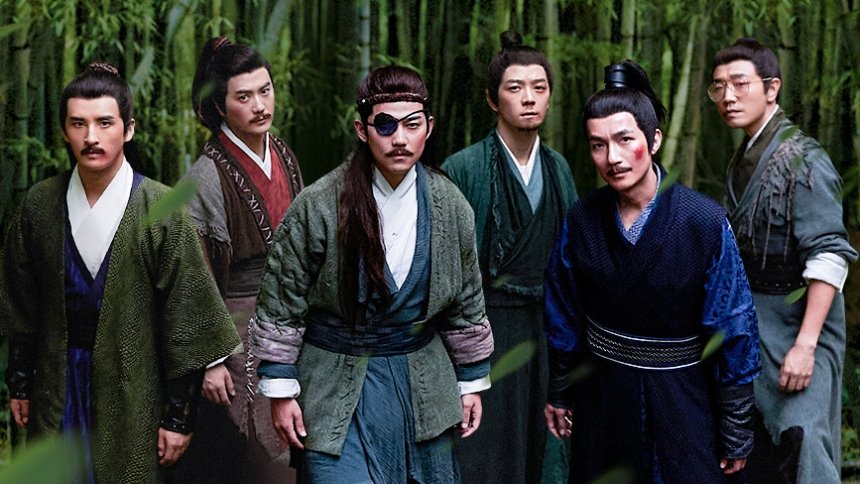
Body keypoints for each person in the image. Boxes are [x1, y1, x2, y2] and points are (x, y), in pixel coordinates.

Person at [249, 65, 494, 483]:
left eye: (412, 125)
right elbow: (282, 299)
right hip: (335, 381)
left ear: (429, 127)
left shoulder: (450, 205)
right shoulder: (319, 204)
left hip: (422, 381)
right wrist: (280, 387)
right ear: (362, 130)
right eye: (385, 125)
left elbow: (466, 298)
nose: (399, 139)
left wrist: (470, 379)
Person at [0, 63, 240, 483]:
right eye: (78, 123)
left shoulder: (163, 209)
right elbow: (22, 305)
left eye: (104, 123)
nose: (91, 137)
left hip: (135, 384)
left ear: (128, 129)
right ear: (64, 131)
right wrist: (20, 383)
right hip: (57, 381)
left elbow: (188, 320)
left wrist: (178, 417)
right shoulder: (39, 205)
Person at [543, 60, 761, 482]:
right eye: (598, 145)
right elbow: (563, 314)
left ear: (655, 139)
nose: (613, 158)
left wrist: (736, 426)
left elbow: (733, 326)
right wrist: (561, 390)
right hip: (603, 397)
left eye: (625, 139)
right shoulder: (582, 219)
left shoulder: (703, 221)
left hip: (683, 399)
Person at [710, 38, 858, 483]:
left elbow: (830, 254)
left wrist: (807, 345)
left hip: (800, 324)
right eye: (718, 86)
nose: (728, 96)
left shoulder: (804, 159)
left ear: (771, 88)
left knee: (802, 438)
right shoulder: (743, 157)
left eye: (740, 83)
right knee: (756, 446)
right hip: (755, 322)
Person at [441, 30, 577, 483]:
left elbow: (571, 266)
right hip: (484, 331)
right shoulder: (464, 168)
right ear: (491, 99)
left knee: (544, 450)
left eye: (539, 88)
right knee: (483, 452)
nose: (529, 98)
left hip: (544, 330)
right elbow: (448, 273)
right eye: (515, 88)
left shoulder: (558, 169)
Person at [170, 37, 303, 484]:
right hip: (236, 331)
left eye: (265, 91)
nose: (260, 106)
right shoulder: (204, 178)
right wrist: (211, 360)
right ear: (219, 106)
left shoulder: (282, 153)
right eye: (243, 97)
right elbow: (191, 279)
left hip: (288, 321)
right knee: (251, 455)